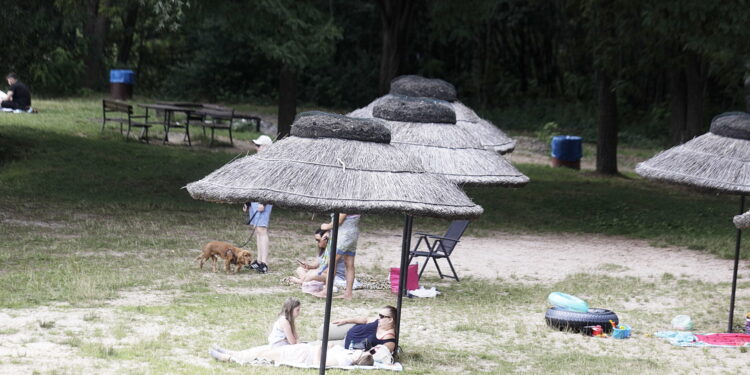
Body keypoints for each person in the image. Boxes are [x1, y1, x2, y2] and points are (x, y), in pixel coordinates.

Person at [209, 341, 375, 367]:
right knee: (266, 348)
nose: (361, 350)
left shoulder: (343, 361)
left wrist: (320, 347)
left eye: (362, 352)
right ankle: (233, 352)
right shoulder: (347, 353)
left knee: (266, 355)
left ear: (359, 358)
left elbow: (318, 363)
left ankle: (229, 358)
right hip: (304, 349)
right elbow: (332, 345)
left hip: (303, 356)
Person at [313, 213, 360, 299]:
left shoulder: (345, 201)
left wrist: (327, 226)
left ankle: (326, 291)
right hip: (352, 233)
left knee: (332, 261)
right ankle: (348, 294)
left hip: (345, 234)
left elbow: (339, 220)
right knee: (349, 264)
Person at [244, 135, 274, 273]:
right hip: (255, 200)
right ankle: (259, 260)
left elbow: (270, 185)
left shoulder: (270, 164)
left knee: (262, 229)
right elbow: (252, 183)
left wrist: (264, 202)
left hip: (263, 201)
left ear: (266, 147)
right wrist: (248, 201)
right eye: (256, 145)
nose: (256, 148)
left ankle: (264, 262)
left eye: (259, 145)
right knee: (257, 229)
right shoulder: (257, 162)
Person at [331, 306, 397, 353]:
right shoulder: (378, 321)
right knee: (324, 331)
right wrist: (346, 320)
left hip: (346, 346)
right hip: (349, 330)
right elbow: (366, 320)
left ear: (390, 320)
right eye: (379, 315)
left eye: (381, 316)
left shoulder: (389, 339)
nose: (378, 317)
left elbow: (377, 353)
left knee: (325, 346)